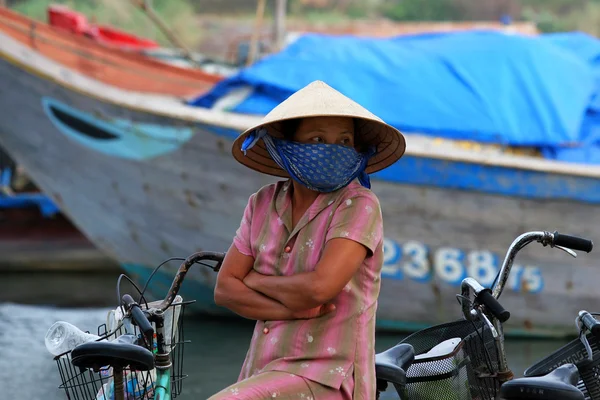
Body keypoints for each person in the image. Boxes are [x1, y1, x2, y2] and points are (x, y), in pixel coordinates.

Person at [210, 80, 406, 400]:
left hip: (329, 375)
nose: (332, 149)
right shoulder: (262, 203)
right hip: (262, 368)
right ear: (285, 145)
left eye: (344, 141)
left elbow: (320, 289)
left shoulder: (358, 205)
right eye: (317, 139)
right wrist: (296, 311)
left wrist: (257, 279)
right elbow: (226, 289)